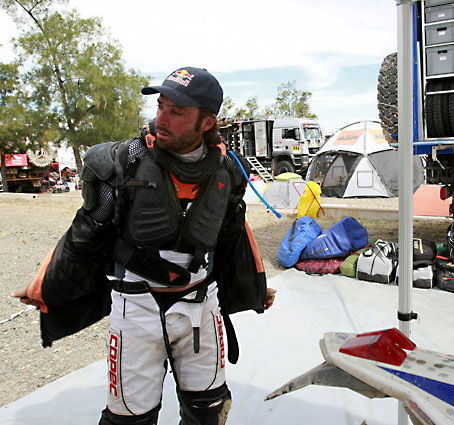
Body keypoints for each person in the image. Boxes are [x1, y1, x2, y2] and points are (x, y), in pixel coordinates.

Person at [11, 66, 276, 425]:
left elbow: (231, 235)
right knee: (129, 420)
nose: (161, 119)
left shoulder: (227, 170)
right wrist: (46, 285)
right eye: (161, 106)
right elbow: (84, 234)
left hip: (200, 303)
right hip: (137, 307)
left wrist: (254, 285)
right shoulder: (125, 163)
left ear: (207, 122)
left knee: (210, 410)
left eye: (176, 112)